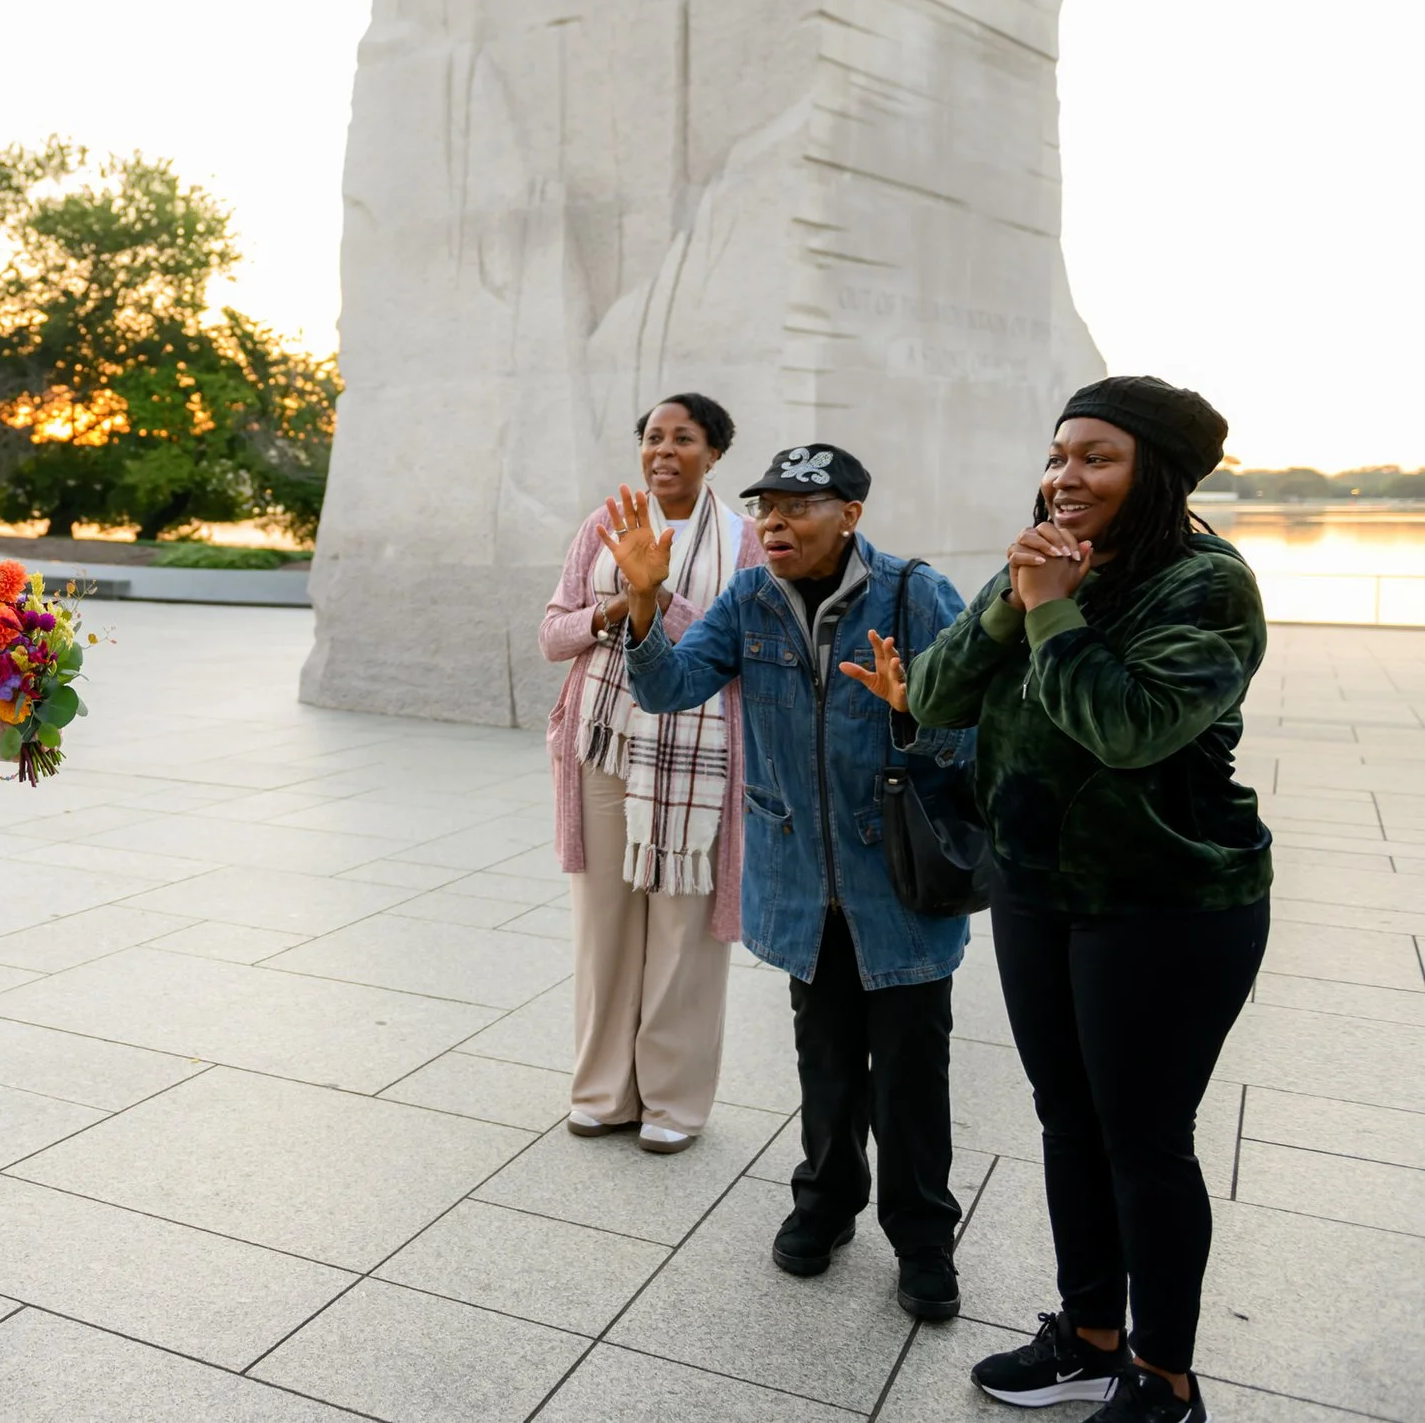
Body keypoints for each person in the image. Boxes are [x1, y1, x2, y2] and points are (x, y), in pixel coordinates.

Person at [851, 378, 1267, 1423]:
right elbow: (935, 696)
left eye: (1096, 457)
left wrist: (1050, 608)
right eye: (1056, 454)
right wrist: (1014, 593)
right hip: (1035, 887)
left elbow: (1128, 730)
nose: (1063, 477)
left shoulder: (1206, 584)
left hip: (1166, 901)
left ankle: (1164, 1380)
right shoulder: (1040, 562)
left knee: (1144, 1138)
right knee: (1067, 1120)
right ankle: (1088, 1337)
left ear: (1155, 472)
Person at [610, 442, 973, 1322]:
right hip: (803, 881)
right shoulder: (750, 598)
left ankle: (923, 1237)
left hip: (898, 880)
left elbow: (975, 732)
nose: (774, 522)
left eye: (797, 506)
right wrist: (644, 602)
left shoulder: (916, 594)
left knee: (911, 1073)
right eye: (765, 507)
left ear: (850, 514)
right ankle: (826, 1202)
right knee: (826, 1058)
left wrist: (911, 714)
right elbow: (668, 689)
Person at [540, 393, 759, 1152]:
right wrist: (612, 611)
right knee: (603, 925)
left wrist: (652, 597)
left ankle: (673, 1099)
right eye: (653, 437)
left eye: (684, 438)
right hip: (603, 746)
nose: (664, 450)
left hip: (699, 759)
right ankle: (603, 1091)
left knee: (683, 931)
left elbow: (738, 650)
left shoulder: (745, 541)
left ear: (715, 452)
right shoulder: (602, 526)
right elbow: (553, 634)